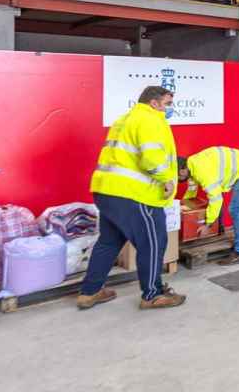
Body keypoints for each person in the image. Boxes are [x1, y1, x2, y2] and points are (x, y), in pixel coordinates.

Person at [78, 86, 186, 310]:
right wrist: (167, 178)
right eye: (167, 104)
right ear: (154, 103)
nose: (169, 109)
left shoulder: (124, 119)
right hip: (135, 194)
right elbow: (152, 157)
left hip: (106, 190)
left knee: (109, 242)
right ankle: (153, 294)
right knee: (153, 243)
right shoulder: (150, 119)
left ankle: (89, 292)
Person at [177, 147, 239, 266]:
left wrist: (208, 224)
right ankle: (218, 229)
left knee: (234, 210)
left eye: (179, 176)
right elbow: (191, 191)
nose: (179, 179)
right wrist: (182, 206)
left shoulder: (203, 173)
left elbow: (216, 199)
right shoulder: (191, 166)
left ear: (182, 170)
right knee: (216, 196)